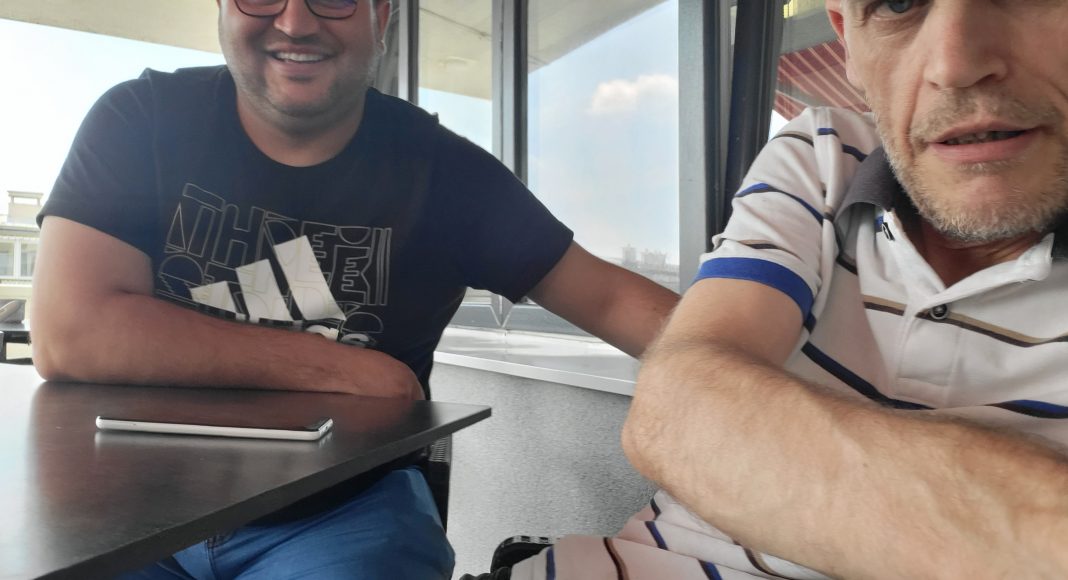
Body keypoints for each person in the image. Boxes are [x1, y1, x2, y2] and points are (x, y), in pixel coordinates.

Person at [29, 0, 678, 578]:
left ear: (382, 17)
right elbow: (71, 331)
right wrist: (344, 369)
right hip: (122, 507)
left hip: (343, 515)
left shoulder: (444, 172)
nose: (295, 21)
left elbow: (614, 301)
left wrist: (736, 381)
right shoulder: (142, 119)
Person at [483, 1, 1068, 578]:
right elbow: (678, 413)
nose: (955, 62)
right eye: (896, 4)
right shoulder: (826, 153)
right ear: (848, 41)